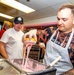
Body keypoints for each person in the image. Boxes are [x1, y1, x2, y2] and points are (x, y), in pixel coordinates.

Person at [43, 4, 74, 75]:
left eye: (64, 19)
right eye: (58, 19)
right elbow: (36, 34)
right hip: (43, 71)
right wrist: (32, 32)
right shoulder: (50, 31)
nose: (59, 23)